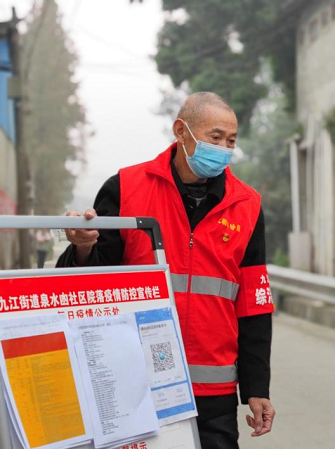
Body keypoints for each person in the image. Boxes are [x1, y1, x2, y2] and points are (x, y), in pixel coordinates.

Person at [57, 92, 276, 448]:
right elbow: (89, 284)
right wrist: (82, 246)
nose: (224, 148)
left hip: (214, 392)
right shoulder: (126, 188)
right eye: (215, 137)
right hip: (134, 383)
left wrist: (256, 387)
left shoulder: (246, 204)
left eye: (231, 140)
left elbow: (254, 302)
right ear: (181, 131)